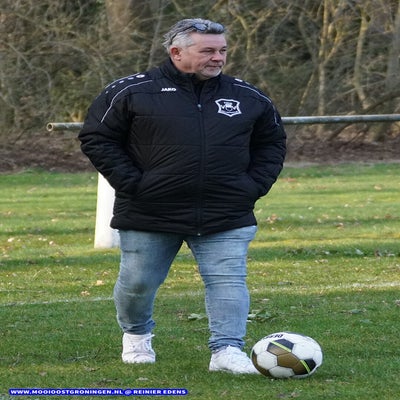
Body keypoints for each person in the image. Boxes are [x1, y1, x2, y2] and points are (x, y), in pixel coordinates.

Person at [78, 18, 286, 374]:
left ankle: (226, 350)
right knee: (138, 284)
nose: (218, 57)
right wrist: (134, 183)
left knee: (228, 281)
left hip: (226, 211)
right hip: (149, 211)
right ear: (176, 52)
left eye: (222, 50)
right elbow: (97, 138)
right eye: (208, 51)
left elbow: (272, 142)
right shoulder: (131, 91)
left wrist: (252, 186)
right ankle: (137, 336)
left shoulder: (248, 96)